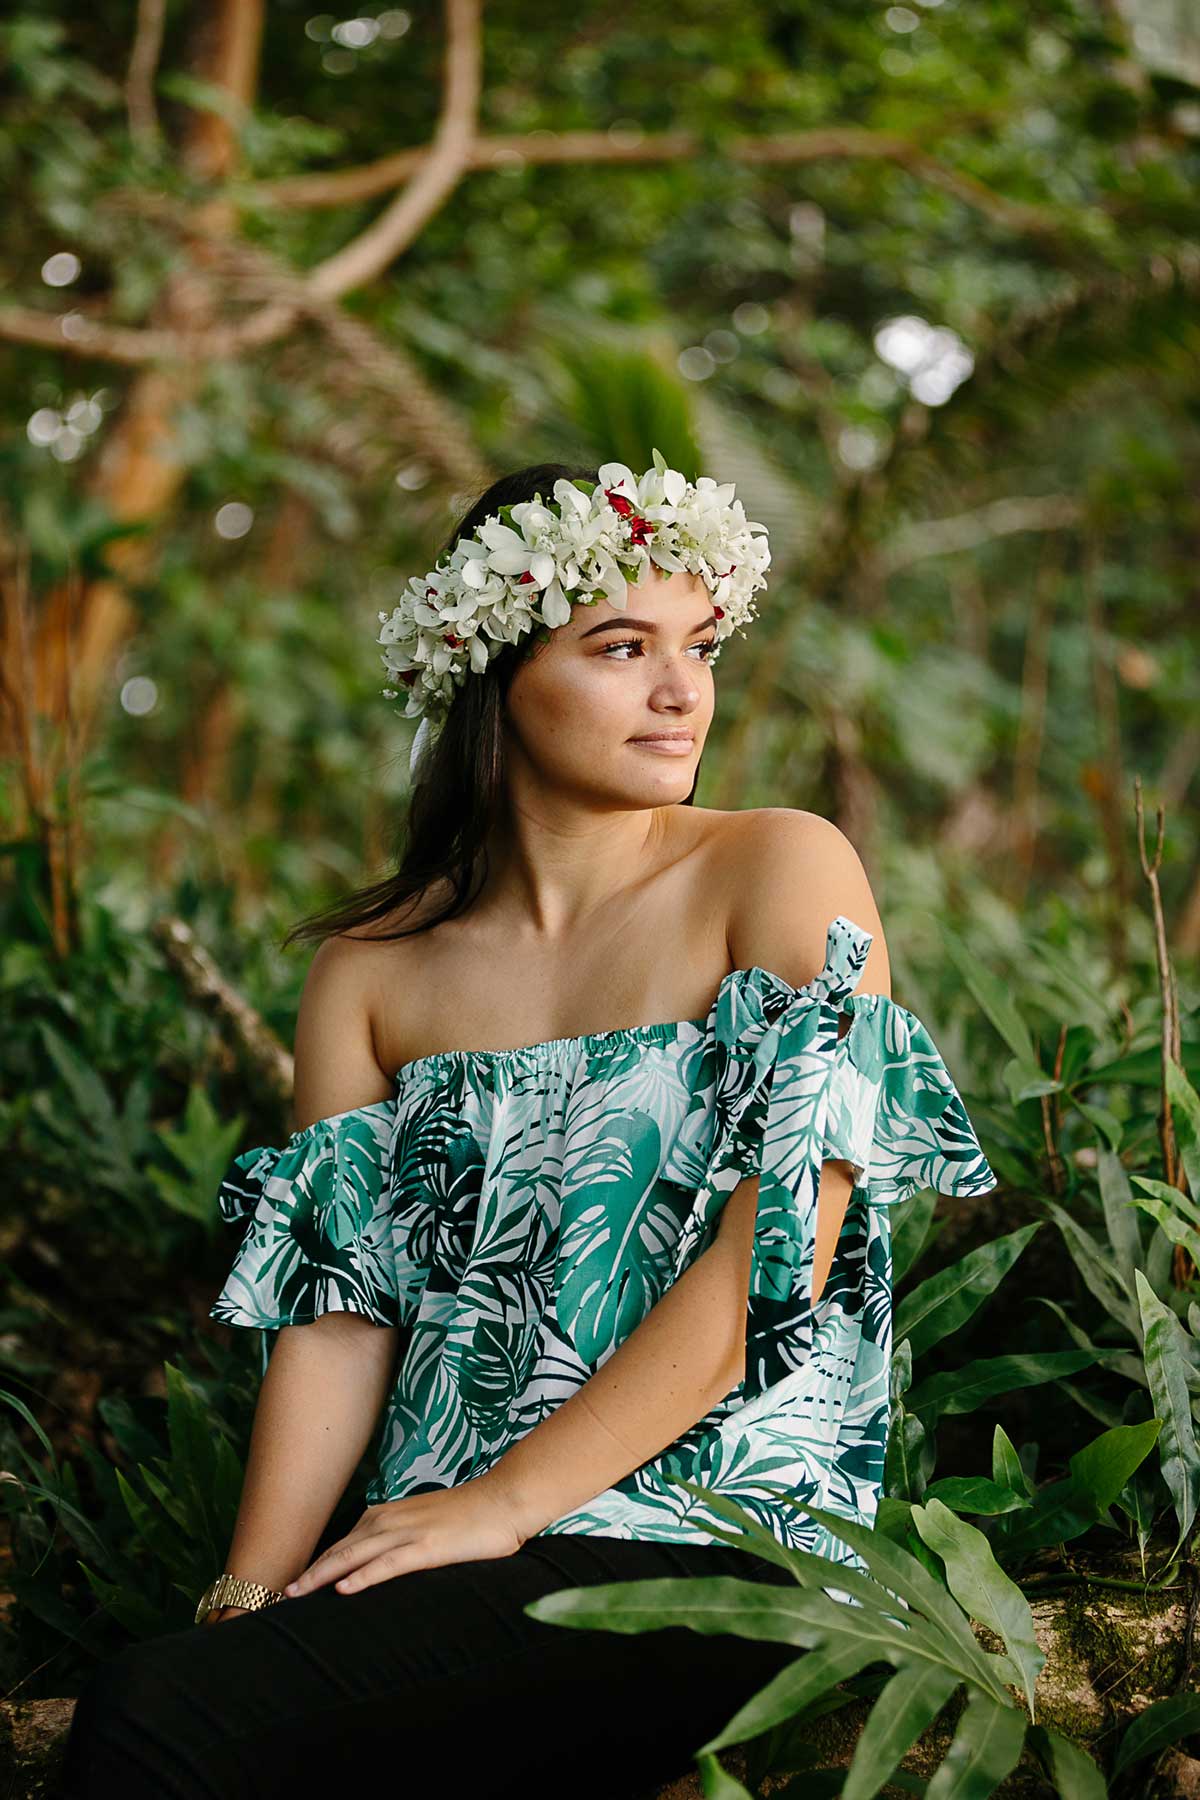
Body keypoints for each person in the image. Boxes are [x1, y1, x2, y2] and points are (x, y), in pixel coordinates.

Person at [61, 453, 998, 1797]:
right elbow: (341, 1325)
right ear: (491, 672)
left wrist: (505, 1503)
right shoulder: (373, 972)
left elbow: (768, 1260)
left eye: (701, 644)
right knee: (187, 1697)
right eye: (623, 647)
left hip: (714, 1538)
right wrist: (249, 1601)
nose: (685, 692)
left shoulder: (778, 868)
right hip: (437, 1547)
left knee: (157, 1724)